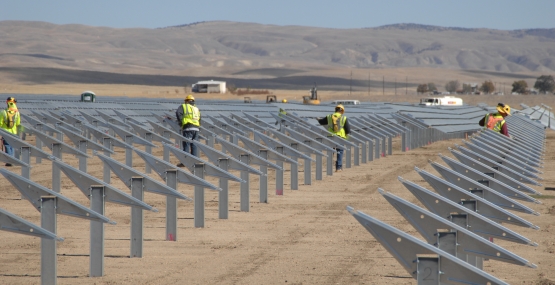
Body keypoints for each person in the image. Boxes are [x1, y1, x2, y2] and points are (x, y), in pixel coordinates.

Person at [317, 104, 350, 172]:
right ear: (342, 111)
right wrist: (346, 135)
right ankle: (338, 167)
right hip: (340, 137)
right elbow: (348, 129)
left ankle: (329, 167)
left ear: (335, 110)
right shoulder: (344, 118)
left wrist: (318, 119)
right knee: (340, 151)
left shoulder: (329, 116)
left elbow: (321, 122)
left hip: (331, 136)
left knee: (330, 151)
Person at [175, 94, 201, 164]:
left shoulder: (184, 106)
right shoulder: (196, 108)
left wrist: (180, 122)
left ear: (187, 101)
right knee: (194, 144)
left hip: (188, 127)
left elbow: (178, 113)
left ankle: (185, 161)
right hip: (196, 128)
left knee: (186, 144)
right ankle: (194, 161)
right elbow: (200, 118)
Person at [0, 97, 21, 166]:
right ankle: (11, 159)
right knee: (11, 145)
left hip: (5, 131)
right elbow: (18, 123)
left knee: (7, 145)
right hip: (14, 132)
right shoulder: (17, 112)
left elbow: (0, 123)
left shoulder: (3, 112)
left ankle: (9, 160)